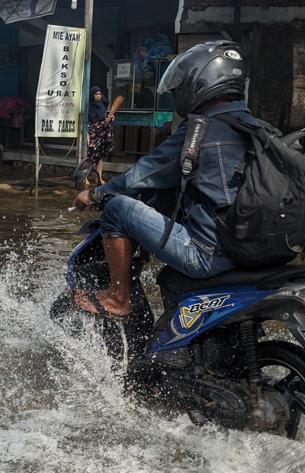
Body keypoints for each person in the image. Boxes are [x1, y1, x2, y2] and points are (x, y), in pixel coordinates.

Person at [71, 41, 254, 317]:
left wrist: (96, 194)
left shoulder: (200, 130)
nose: (180, 92)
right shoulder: (258, 129)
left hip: (210, 252)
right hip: (254, 253)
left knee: (116, 210)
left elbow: (143, 174)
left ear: (202, 82)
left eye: (184, 85)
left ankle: (118, 298)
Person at [86, 87, 115, 185]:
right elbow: (87, 122)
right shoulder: (89, 106)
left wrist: (110, 118)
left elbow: (103, 117)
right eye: (96, 94)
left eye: (99, 93)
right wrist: (87, 135)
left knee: (100, 155)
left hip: (102, 132)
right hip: (92, 132)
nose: (98, 95)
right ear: (92, 95)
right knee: (90, 155)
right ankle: (85, 177)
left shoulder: (103, 104)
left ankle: (99, 178)